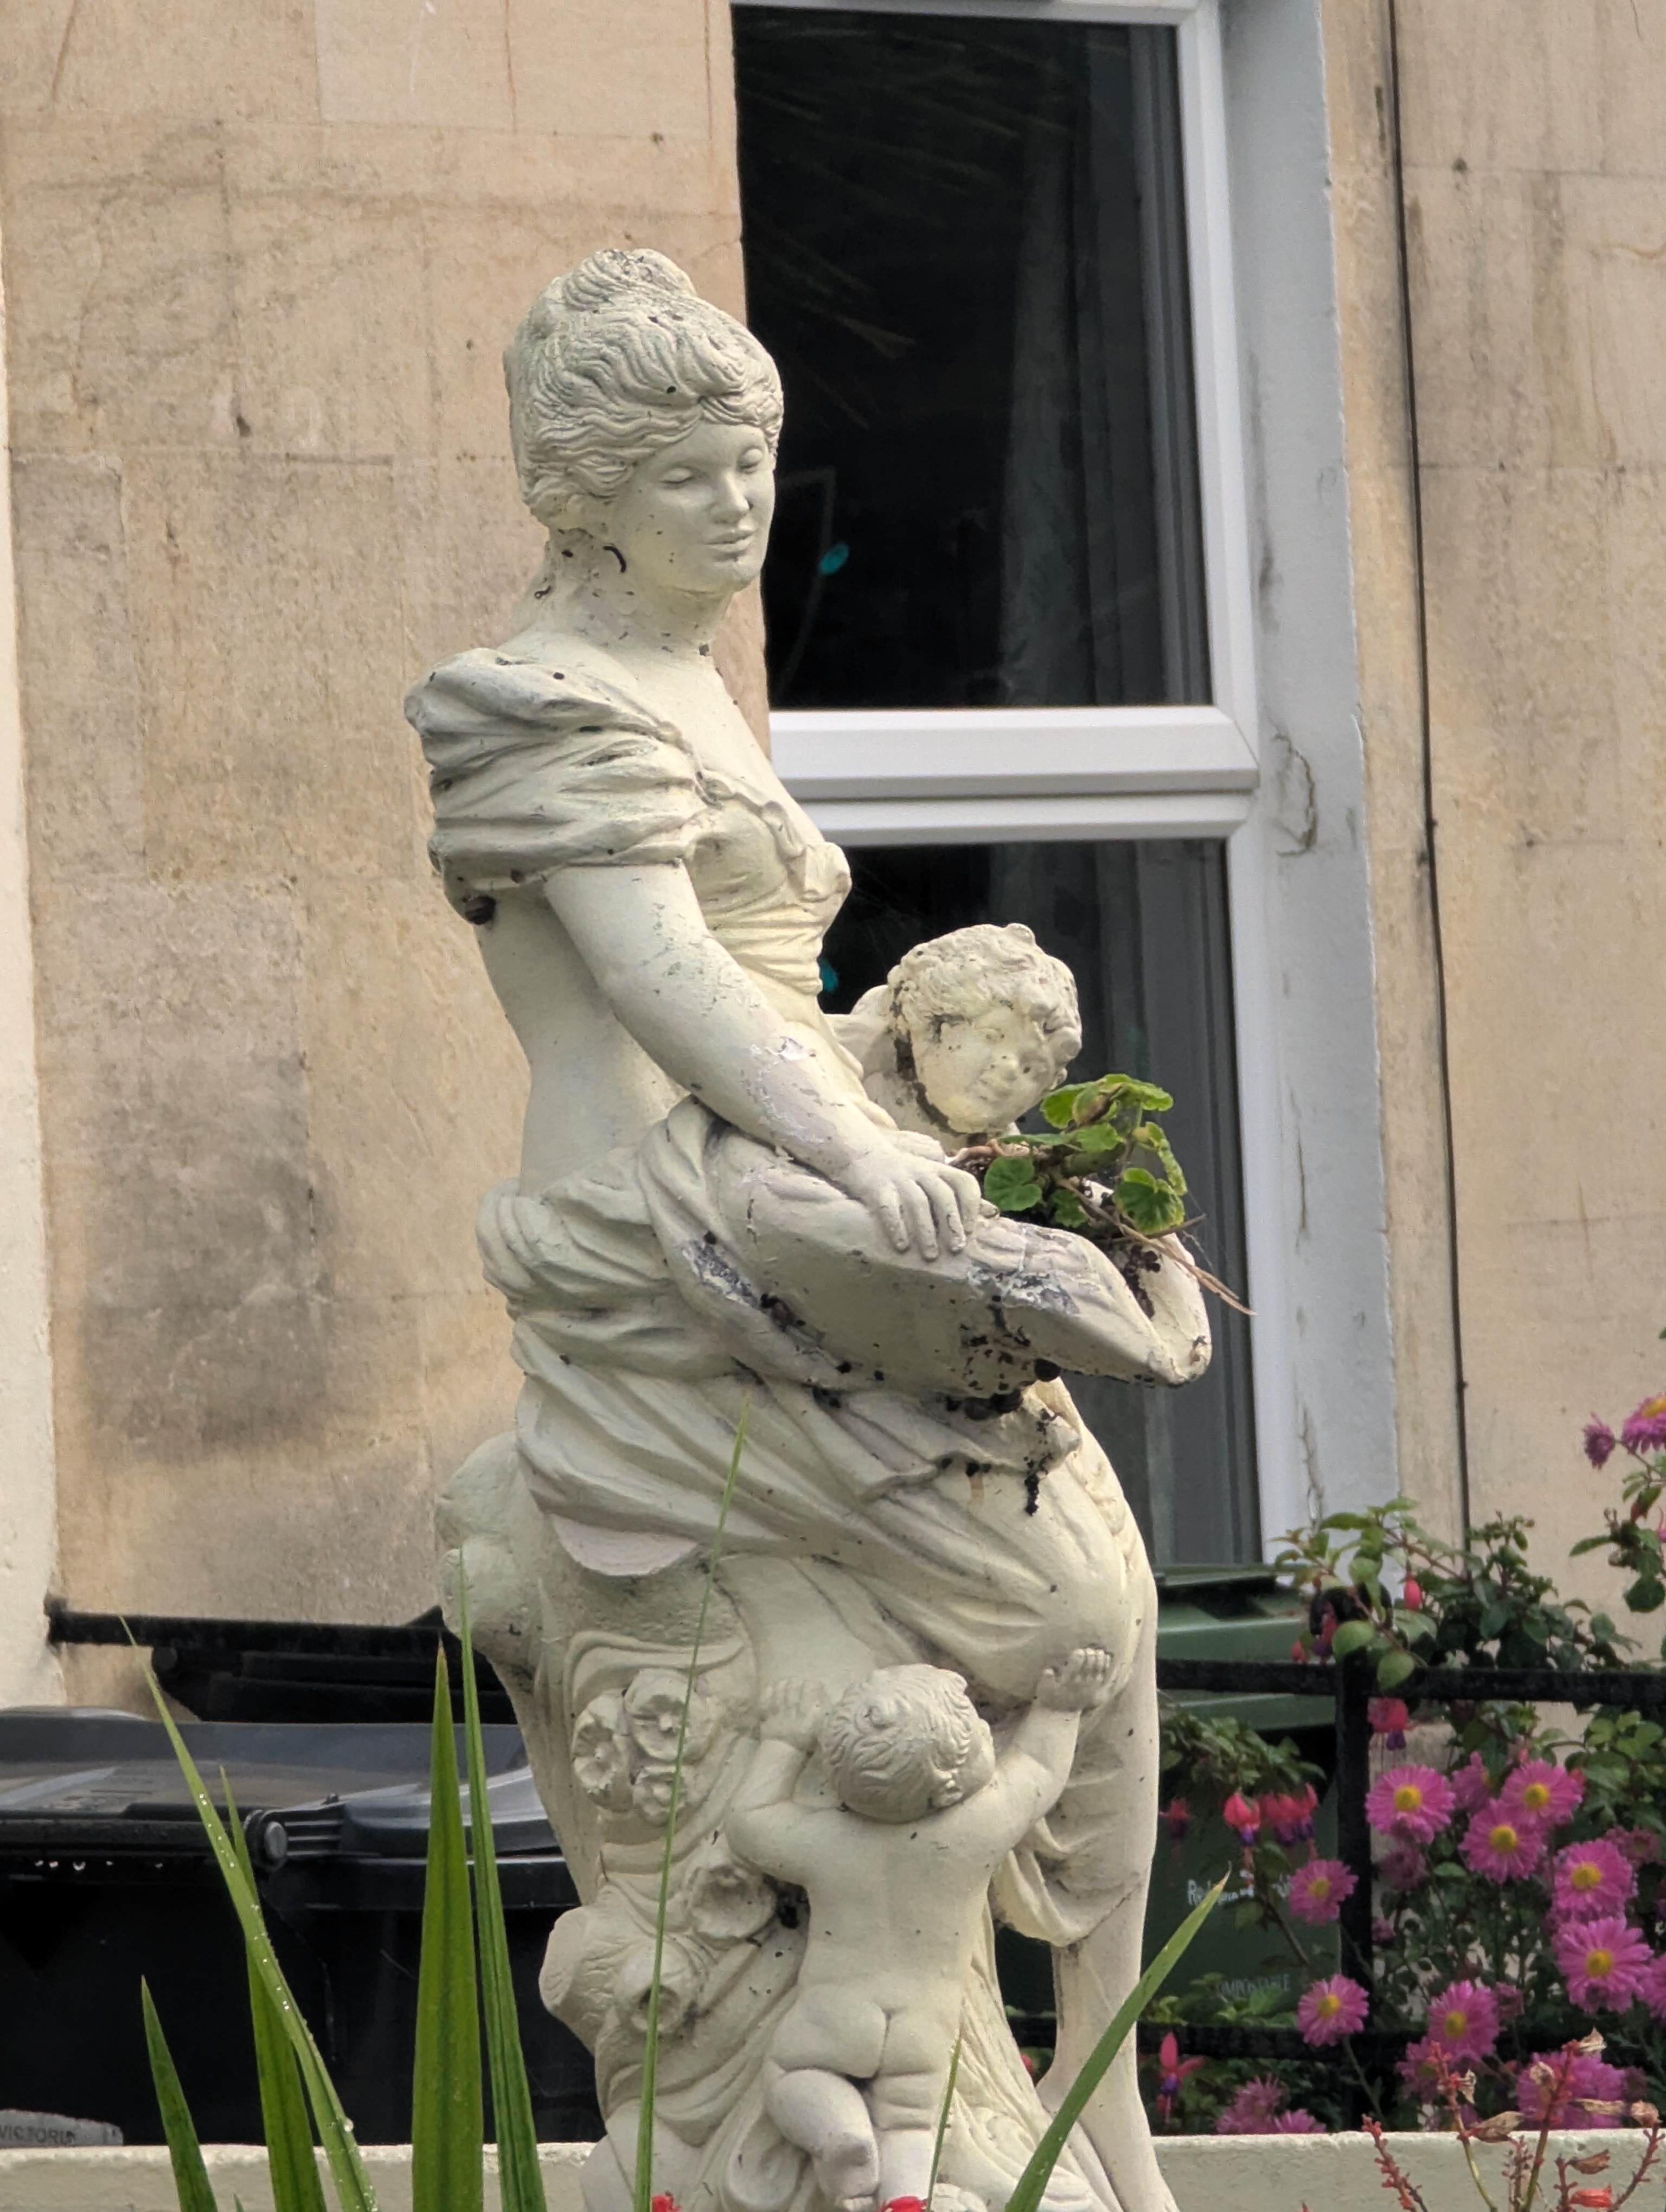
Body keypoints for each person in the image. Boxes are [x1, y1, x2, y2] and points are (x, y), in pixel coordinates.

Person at [408, 247, 1208, 2212]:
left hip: (792, 1200)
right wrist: (857, 1154)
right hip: (668, 1247)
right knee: (1069, 1616)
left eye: (755, 458)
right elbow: (666, 971)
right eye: (690, 471)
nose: (740, 504)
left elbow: (759, 996)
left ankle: (1086, 2110)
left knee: (1097, 1613)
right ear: (581, 488)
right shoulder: (525, 697)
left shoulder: (688, 676)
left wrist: (910, 1070)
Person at [729, 1658, 1113, 2212]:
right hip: (923, 2026)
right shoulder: (972, 1834)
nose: (989, 1734)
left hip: (835, 2015)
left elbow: (749, 1821)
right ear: (949, 1783)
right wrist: (1060, 1706)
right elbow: (1036, 1772)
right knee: (912, 2122)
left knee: (793, 2074)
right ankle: (905, 2200)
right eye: (980, 1731)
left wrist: (784, 1740)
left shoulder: (826, 1843)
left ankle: (842, 2138)